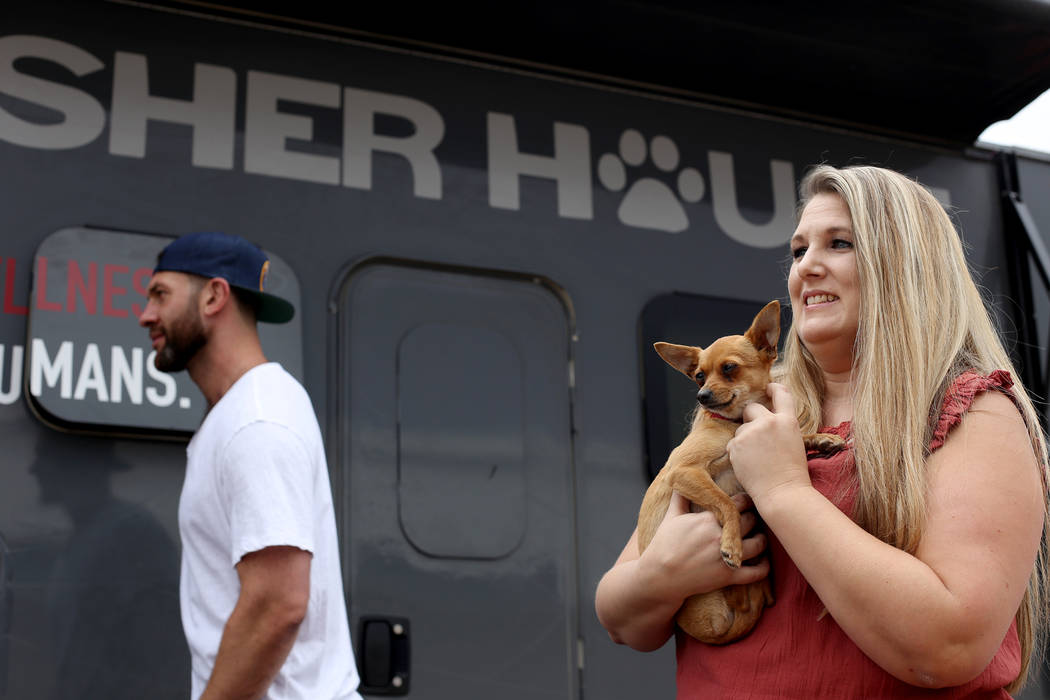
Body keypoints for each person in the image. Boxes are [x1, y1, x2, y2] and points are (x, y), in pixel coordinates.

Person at [595, 164, 1050, 698]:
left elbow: (947, 649)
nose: (806, 267)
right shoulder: (746, 408)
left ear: (905, 265)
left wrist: (783, 490)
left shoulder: (973, 411)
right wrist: (665, 573)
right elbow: (620, 620)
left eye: (838, 243)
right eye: (797, 251)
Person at [138, 232, 362, 700]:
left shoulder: (257, 419)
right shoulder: (239, 414)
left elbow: (278, 604)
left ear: (215, 296)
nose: (146, 316)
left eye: (160, 294)